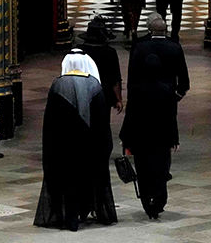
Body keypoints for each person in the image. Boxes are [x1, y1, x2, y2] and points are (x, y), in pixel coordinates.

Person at [34, 51, 117, 231]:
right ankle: (84, 211)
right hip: (89, 145)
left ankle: (70, 217)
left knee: (67, 179)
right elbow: (102, 121)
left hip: (63, 145)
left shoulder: (57, 85)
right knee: (86, 177)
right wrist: (104, 146)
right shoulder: (94, 85)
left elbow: (50, 121)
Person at [120, 54, 179, 219]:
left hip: (141, 139)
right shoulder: (167, 90)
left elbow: (130, 116)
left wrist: (126, 140)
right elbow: (171, 116)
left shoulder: (136, 90)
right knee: (161, 171)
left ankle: (147, 202)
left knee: (143, 171)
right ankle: (159, 201)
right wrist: (174, 139)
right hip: (161, 139)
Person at [127, 13, 190, 102]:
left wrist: (132, 93)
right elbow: (182, 72)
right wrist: (180, 92)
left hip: (144, 94)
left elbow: (133, 73)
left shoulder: (140, 47)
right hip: (168, 93)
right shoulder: (175, 47)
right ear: (166, 30)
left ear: (150, 30)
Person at [76, 17, 123, 114]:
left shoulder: (79, 50)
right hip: (104, 93)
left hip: (83, 92)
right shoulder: (110, 52)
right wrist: (118, 99)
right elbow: (115, 78)